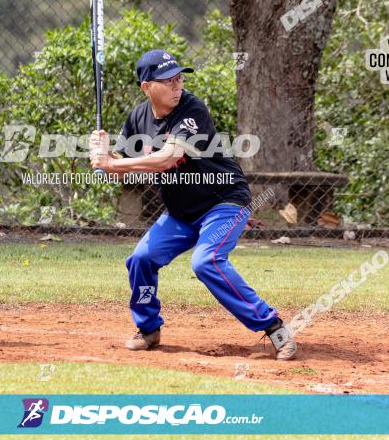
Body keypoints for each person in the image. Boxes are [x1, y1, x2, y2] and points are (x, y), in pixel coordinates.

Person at [89, 49, 297, 360]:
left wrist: (112, 164)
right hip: (181, 213)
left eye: (179, 78)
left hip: (223, 202)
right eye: (168, 81)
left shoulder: (191, 109)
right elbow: (124, 168)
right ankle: (148, 329)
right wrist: (103, 155)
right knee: (140, 260)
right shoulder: (138, 118)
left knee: (206, 261)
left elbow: (166, 158)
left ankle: (274, 326)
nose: (177, 86)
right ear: (146, 86)